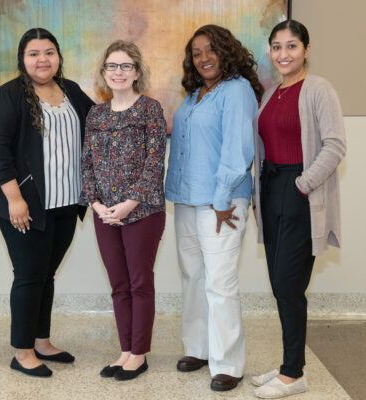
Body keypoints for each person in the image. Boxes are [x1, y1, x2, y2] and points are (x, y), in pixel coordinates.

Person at [0, 28, 94, 378]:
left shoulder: (72, 91)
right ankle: (22, 351)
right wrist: (14, 199)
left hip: (66, 203)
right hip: (26, 206)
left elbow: (98, 126)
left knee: (46, 275)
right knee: (29, 276)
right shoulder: (9, 95)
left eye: (49, 52)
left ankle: (42, 341)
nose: (42, 59)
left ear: (58, 57)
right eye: (34, 53)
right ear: (23, 58)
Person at [251, 20, 346, 399]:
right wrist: (261, 196)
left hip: (300, 193)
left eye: (291, 46)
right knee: (279, 285)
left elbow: (335, 146)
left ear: (306, 49)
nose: (283, 54)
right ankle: (289, 362)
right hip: (272, 191)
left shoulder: (319, 89)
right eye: (276, 46)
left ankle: (294, 374)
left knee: (289, 285)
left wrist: (302, 184)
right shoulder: (271, 93)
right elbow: (263, 147)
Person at [165, 24, 263, 391]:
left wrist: (221, 199)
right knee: (193, 276)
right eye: (196, 53)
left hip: (221, 202)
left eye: (211, 50)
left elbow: (239, 150)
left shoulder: (236, 90)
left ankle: (228, 363)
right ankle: (199, 348)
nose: (203, 58)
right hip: (187, 200)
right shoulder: (193, 95)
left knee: (220, 282)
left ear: (226, 51)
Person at [80, 40, 166, 381]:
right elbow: (86, 164)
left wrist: (128, 205)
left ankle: (140, 354)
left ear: (137, 72)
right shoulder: (96, 114)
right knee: (118, 284)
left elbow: (155, 163)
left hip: (142, 212)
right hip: (105, 215)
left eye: (125, 66)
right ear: (103, 73)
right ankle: (125, 350)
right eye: (112, 66)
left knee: (139, 283)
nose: (118, 72)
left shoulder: (150, 109)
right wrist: (99, 205)